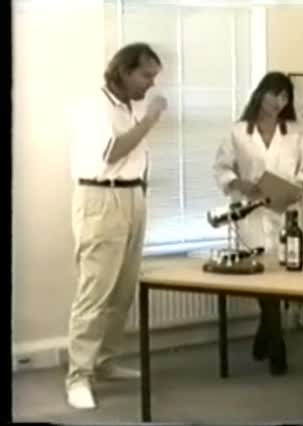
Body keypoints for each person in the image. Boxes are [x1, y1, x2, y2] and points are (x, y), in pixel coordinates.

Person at [66, 42, 167, 410]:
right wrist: (150, 119)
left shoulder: (129, 107)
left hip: (132, 197)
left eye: (154, 77)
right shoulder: (97, 106)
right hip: (101, 199)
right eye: (146, 76)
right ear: (124, 71)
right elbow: (112, 152)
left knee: (122, 291)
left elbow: (136, 156)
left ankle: (105, 362)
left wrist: (140, 191)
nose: (151, 84)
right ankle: (78, 376)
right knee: (95, 292)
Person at [213, 71, 303, 376]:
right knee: (260, 276)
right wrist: (239, 184)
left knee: (281, 274)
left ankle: (265, 333)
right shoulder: (238, 132)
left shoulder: (296, 133)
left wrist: (298, 187)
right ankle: (276, 343)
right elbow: (221, 168)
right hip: (252, 213)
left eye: (284, 97)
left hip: (285, 211)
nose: (278, 102)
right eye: (274, 94)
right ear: (261, 93)